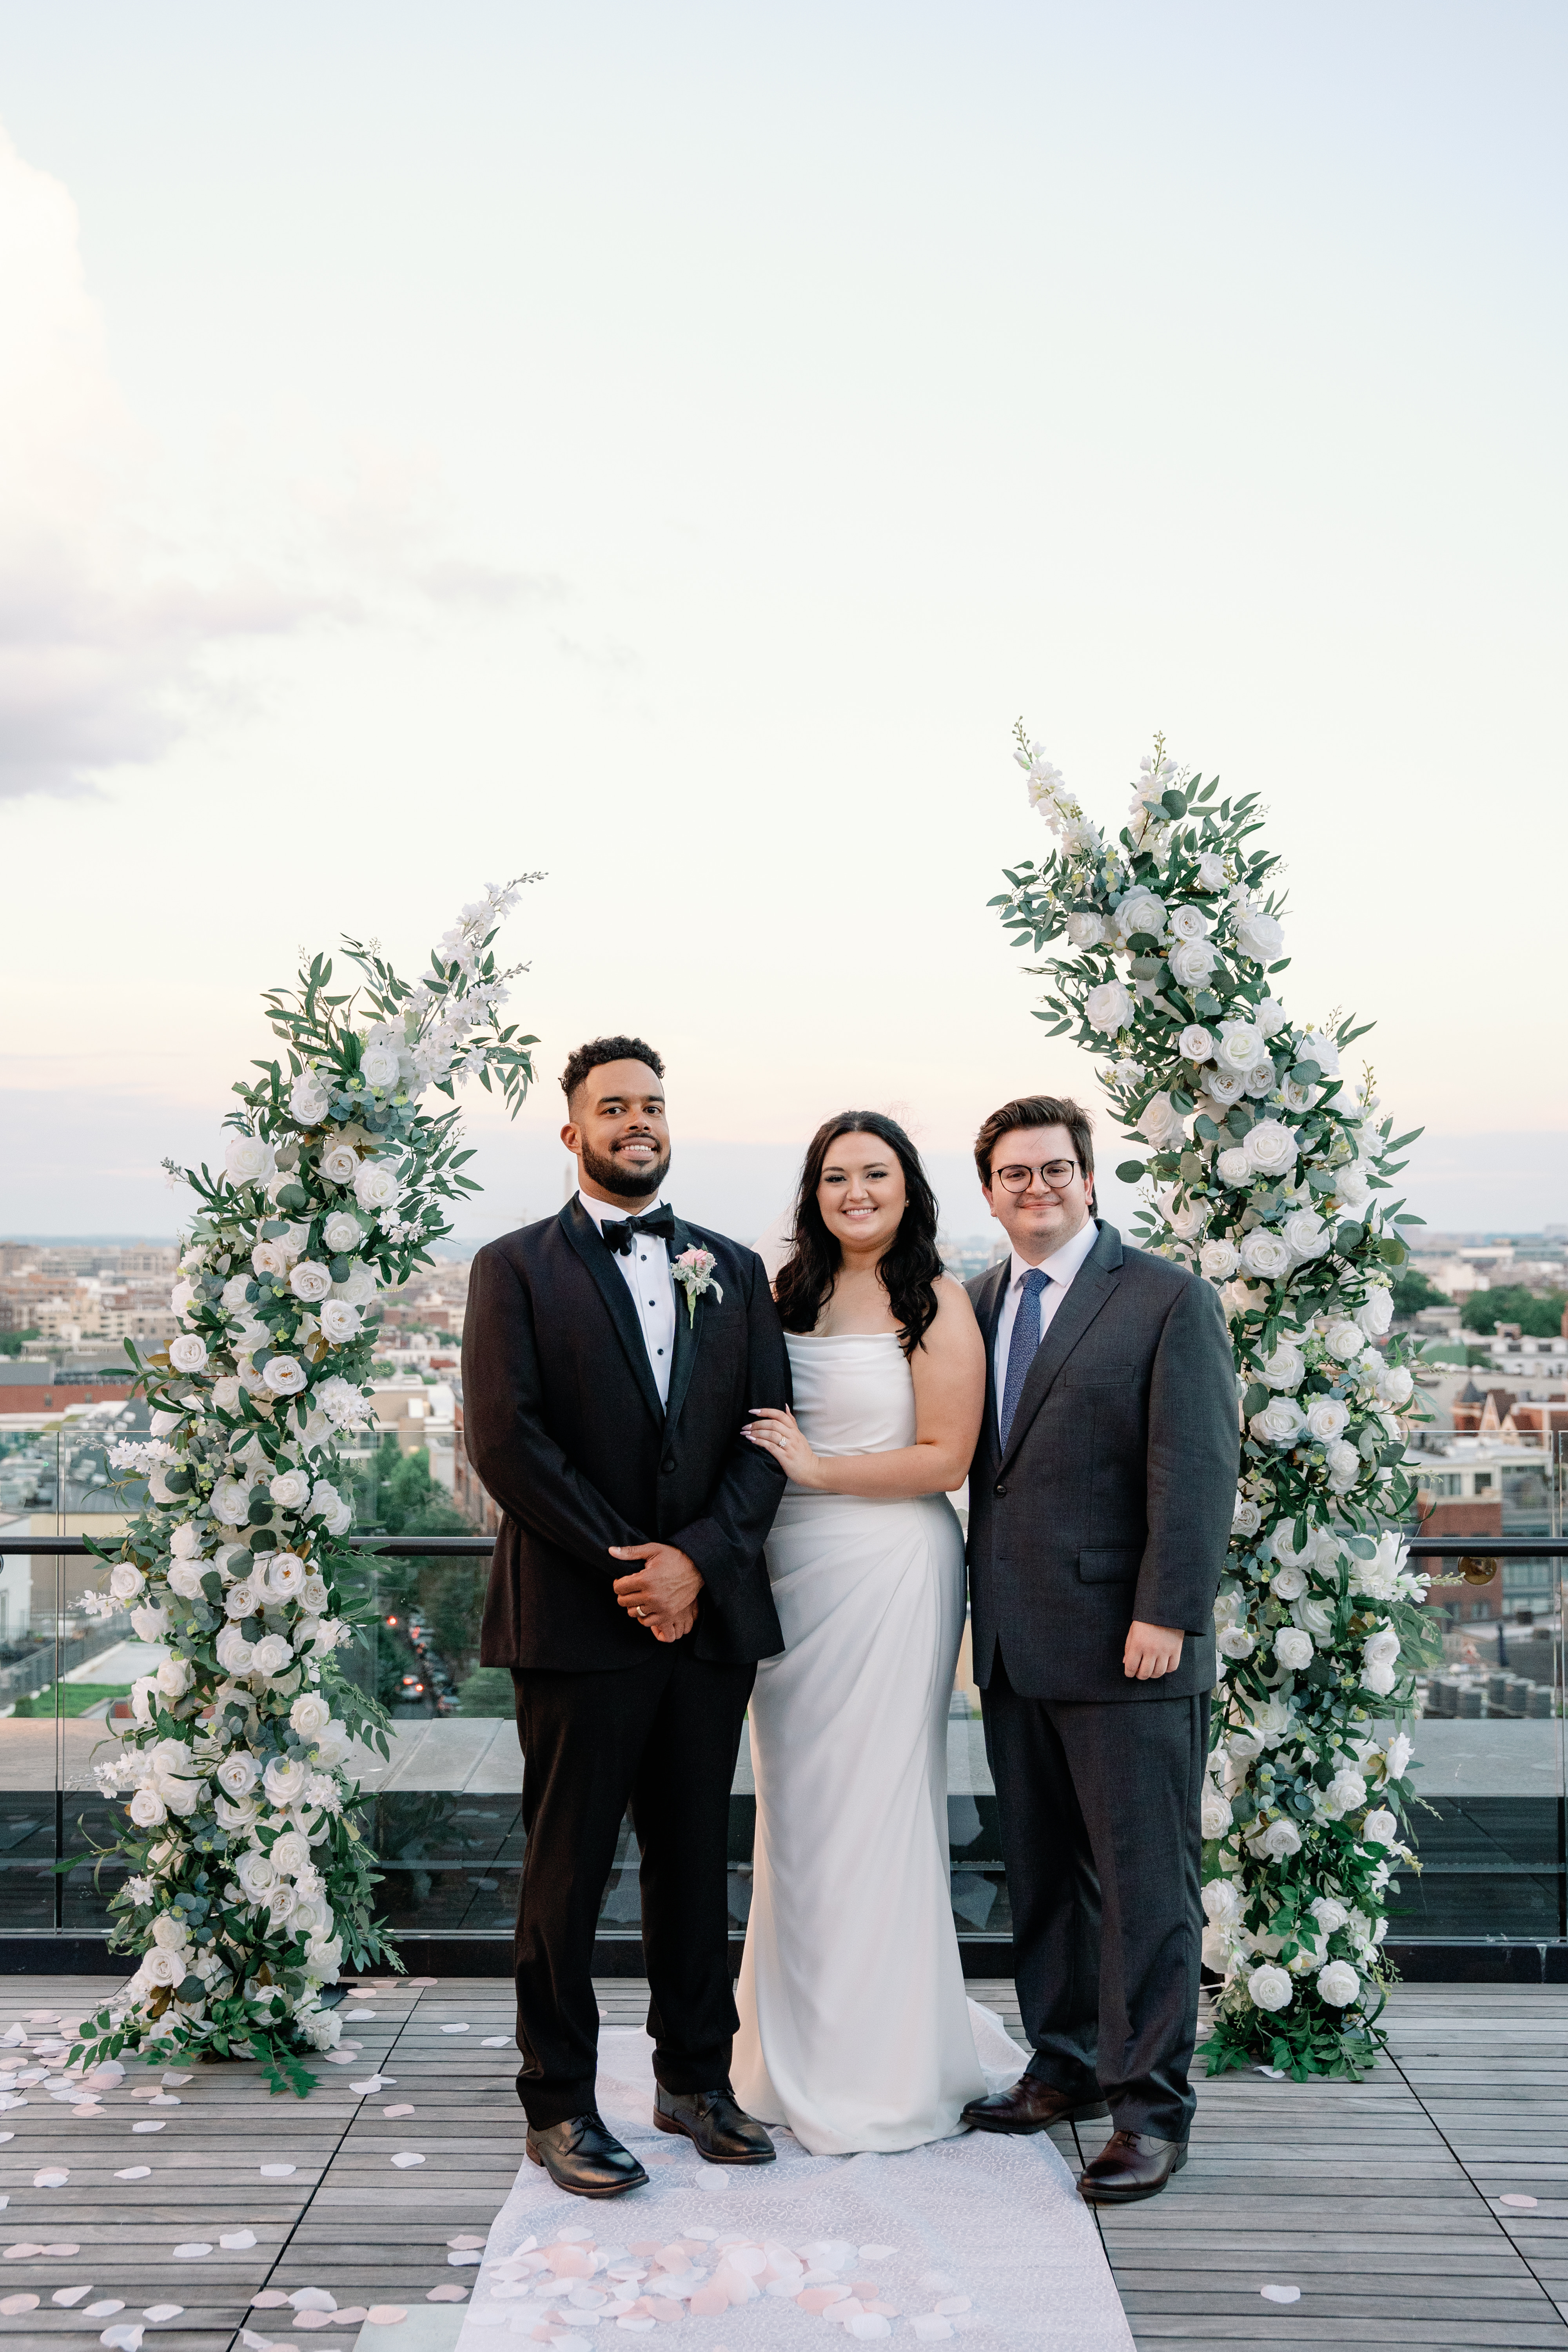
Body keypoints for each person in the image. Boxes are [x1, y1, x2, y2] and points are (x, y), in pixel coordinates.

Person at [462, 1035, 791, 2197]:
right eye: (614, 1107)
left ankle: (693, 2080)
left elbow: (766, 1440)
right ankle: (556, 2106)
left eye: (652, 1104)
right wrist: (633, 1568)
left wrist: (695, 1565)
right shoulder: (511, 1268)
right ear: (572, 1133)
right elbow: (507, 1442)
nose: (637, 1121)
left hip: (705, 1626)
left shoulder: (734, 1268)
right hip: (575, 1620)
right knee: (566, 1870)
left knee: (697, 1867)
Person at [958, 1093, 1238, 2204]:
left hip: (1132, 1647)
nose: (1037, 1188)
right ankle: (1065, 2063)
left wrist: (1167, 1613)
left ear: (1090, 1180)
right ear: (990, 1191)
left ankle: (1151, 2109)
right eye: (1015, 1173)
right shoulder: (975, 1303)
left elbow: (1198, 1468)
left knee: (1145, 1887)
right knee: (1043, 1879)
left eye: (1056, 1169)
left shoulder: (1169, 1299)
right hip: (1016, 1650)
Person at [733, 1112, 989, 2152]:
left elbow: (945, 1459)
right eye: (836, 1177)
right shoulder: (783, 1292)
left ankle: (880, 2067)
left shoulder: (940, 1299)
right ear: (815, 1191)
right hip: (788, 1573)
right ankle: (784, 2053)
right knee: (796, 1816)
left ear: (906, 1185)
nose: (855, 1193)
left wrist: (822, 1471)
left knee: (877, 1810)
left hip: (891, 1567)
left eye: (874, 1174)